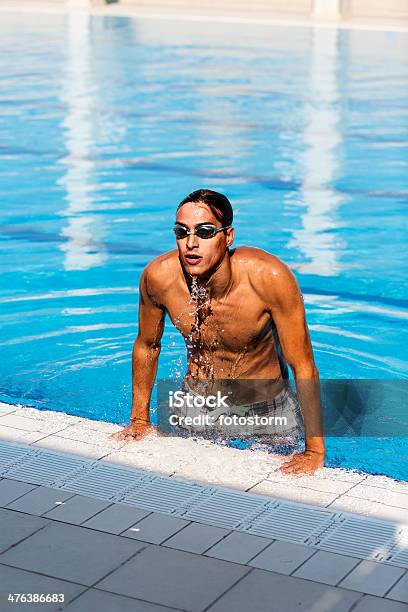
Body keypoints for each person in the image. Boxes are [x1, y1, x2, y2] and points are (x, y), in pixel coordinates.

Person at [112, 189, 325, 475]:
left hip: (265, 409)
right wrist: (139, 419)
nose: (191, 243)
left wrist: (314, 450)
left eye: (205, 232)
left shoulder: (269, 278)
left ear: (228, 236)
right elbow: (147, 345)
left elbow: (303, 364)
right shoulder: (158, 278)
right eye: (181, 231)